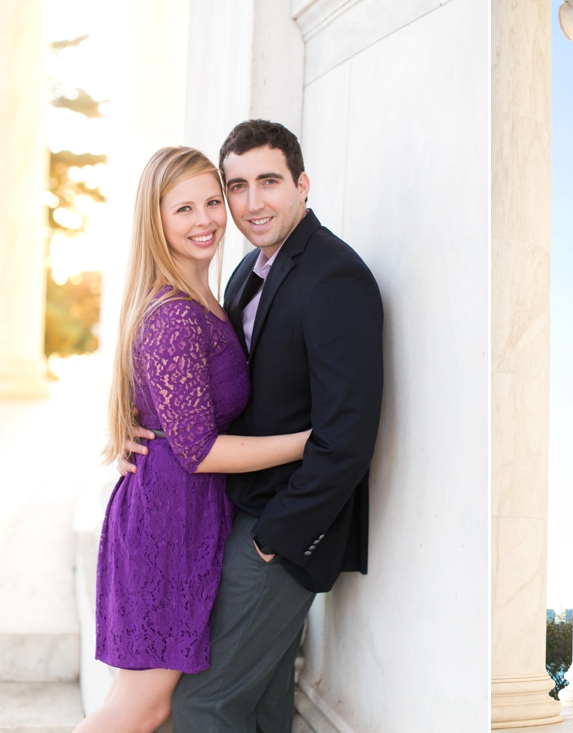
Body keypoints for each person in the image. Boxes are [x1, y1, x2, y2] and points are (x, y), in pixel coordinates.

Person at [120, 120, 384, 732]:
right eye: (235, 187)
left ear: (302, 184)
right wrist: (145, 423)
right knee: (263, 708)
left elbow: (346, 437)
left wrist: (275, 539)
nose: (250, 202)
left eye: (268, 181)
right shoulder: (243, 274)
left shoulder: (333, 276)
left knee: (199, 706)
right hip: (228, 515)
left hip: (279, 531)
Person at [77, 147, 312, 733]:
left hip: (188, 515)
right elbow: (199, 450)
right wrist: (312, 442)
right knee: (143, 706)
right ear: (155, 220)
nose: (205, 219)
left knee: (145, 706)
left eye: (212, 201)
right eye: (183, 208)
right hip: (166, 523)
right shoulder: (175, 314)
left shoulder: (213, 294)